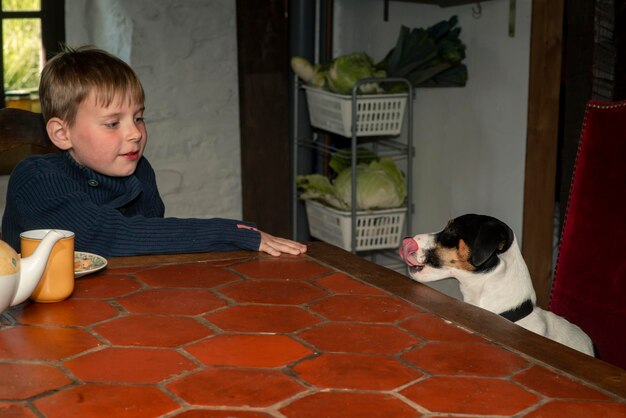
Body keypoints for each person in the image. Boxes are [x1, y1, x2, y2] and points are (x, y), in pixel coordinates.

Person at [1, 46, 307, 258]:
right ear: (61, 133)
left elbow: (150, 244)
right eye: (112, 123)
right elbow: (107, 237)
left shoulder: (139, 170)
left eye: (138, 117)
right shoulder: (35, 179)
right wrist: (230, 232)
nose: (135, 133)